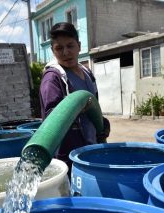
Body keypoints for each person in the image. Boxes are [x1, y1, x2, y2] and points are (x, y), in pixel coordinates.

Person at [39, 22, 110, 175]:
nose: (65, 52)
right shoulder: (53, 78)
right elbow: (53, 118)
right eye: (59, 48)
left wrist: (102, 122)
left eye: (70, 46)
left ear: (79, 45)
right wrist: (75, 108)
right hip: (69, 155)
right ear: (52, 50)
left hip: (91, 147)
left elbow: (93, 104)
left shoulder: (87, 73)